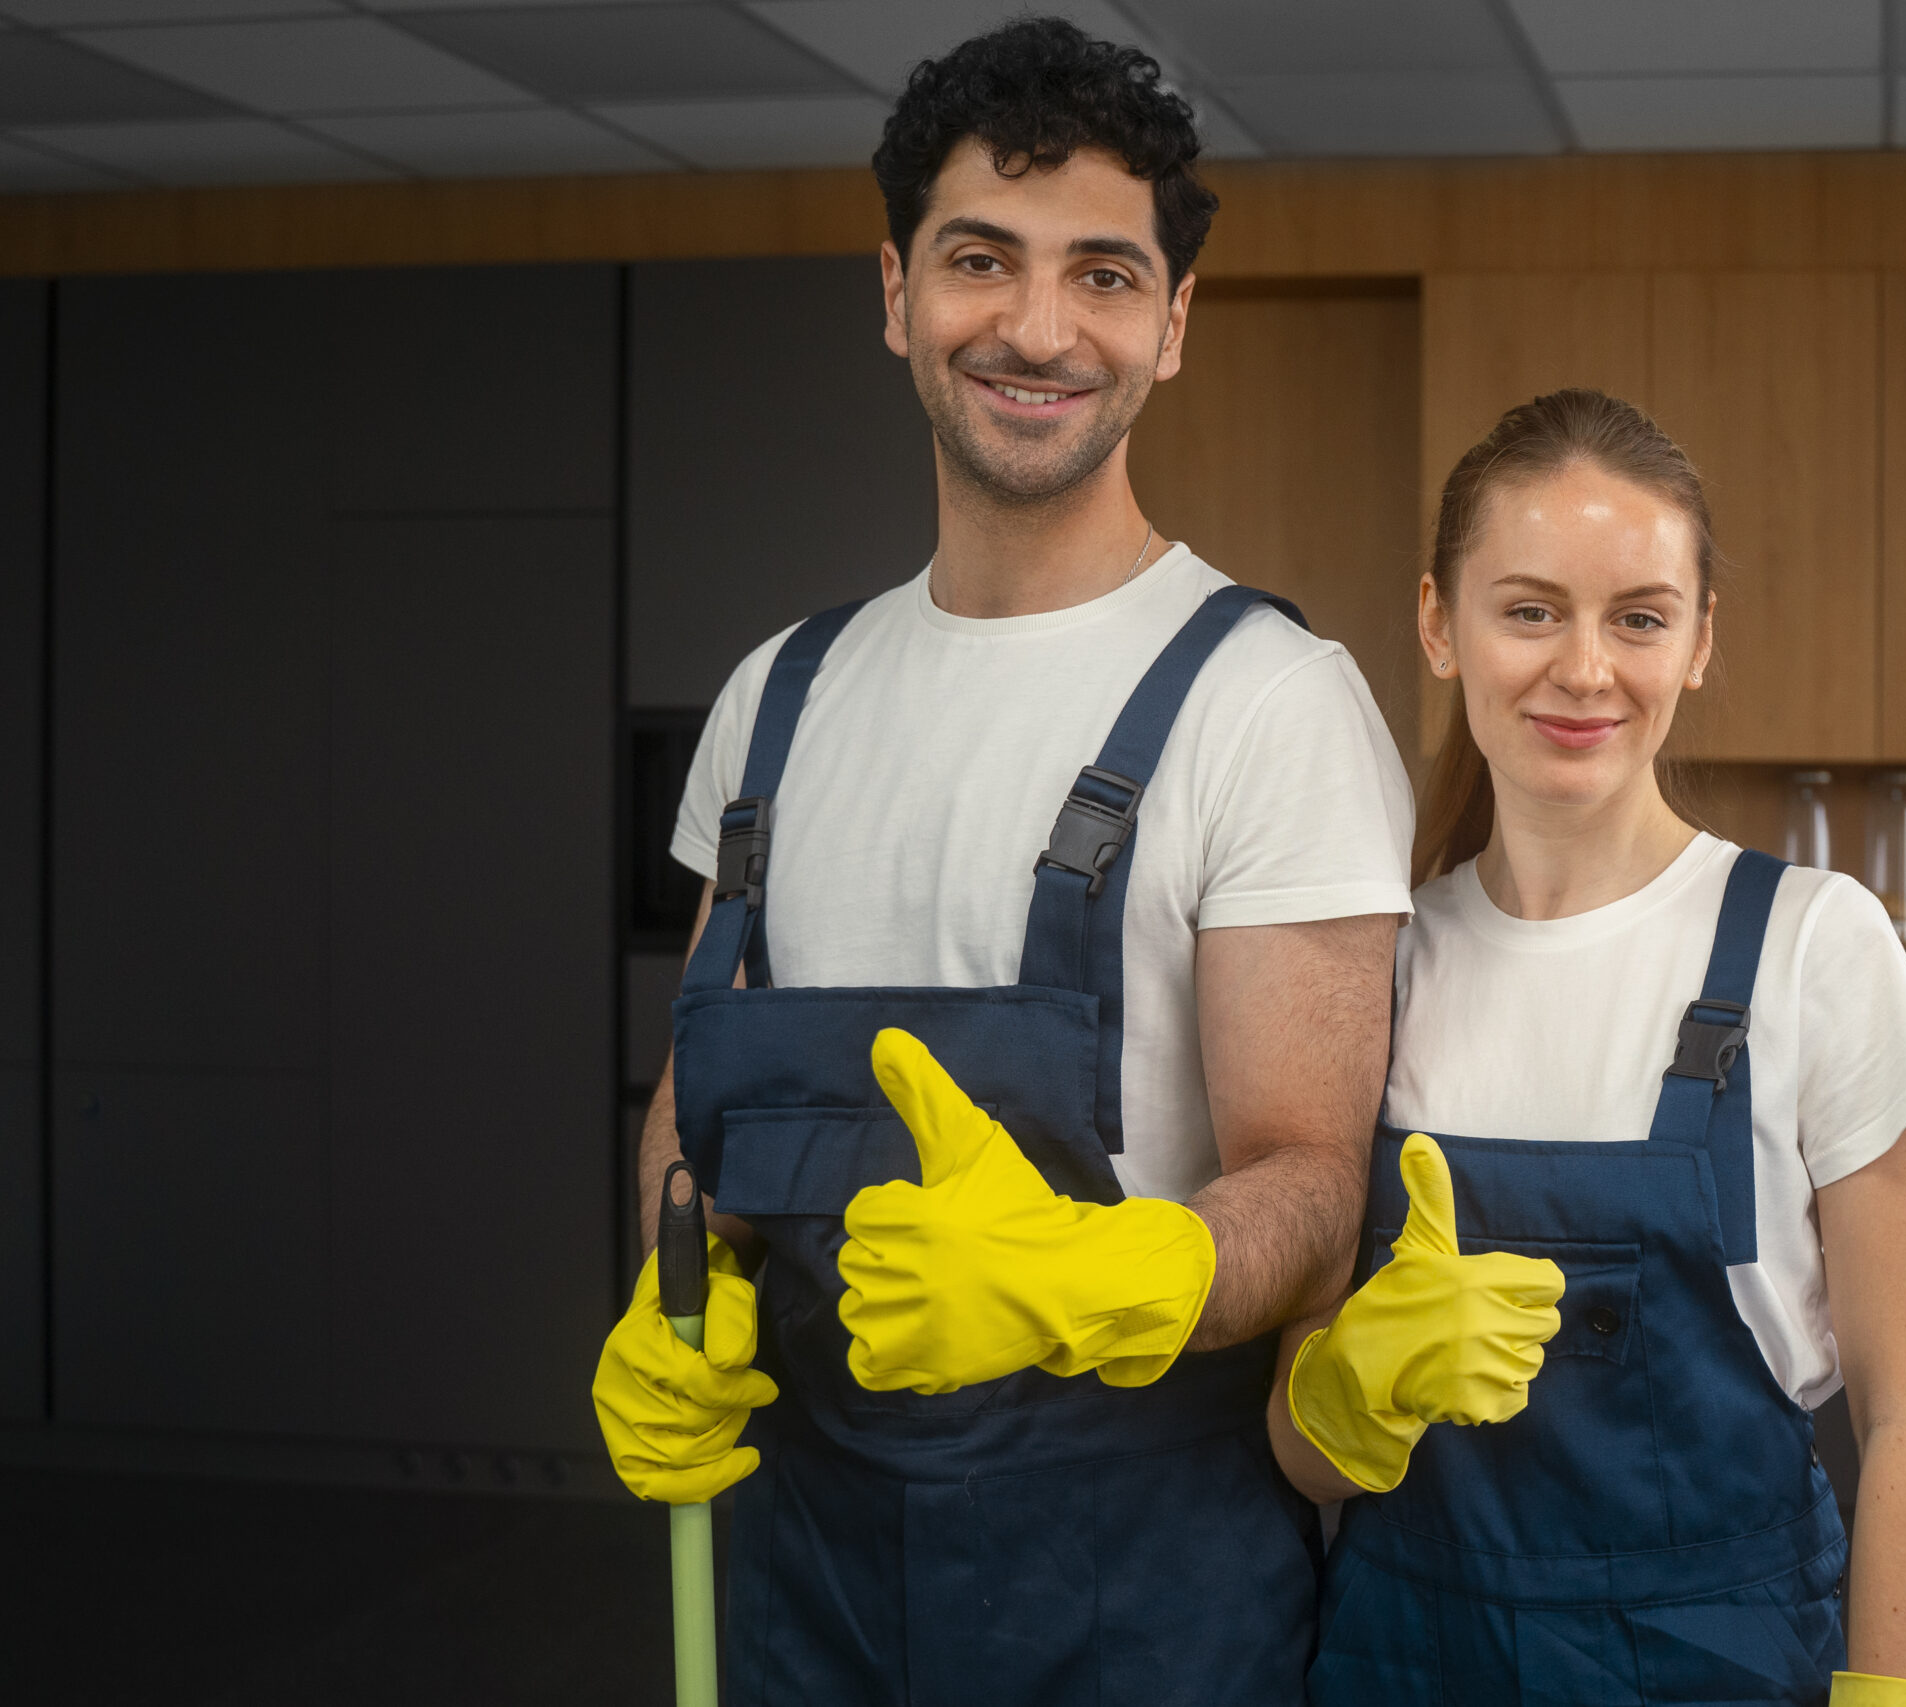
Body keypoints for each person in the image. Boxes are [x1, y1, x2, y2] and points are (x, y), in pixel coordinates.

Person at [589, 19, 1412, 1703]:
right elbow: (697, 1103)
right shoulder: (776, 697)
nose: (1039, 329)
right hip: (800, 1575)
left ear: (1172, 323)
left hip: (1139, 1600)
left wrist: (1118, 1272)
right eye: (982, 261)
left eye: (1104, 275)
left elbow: (1316, 1189)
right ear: (898, 292)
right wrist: (675, 1292)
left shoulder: (1271, 704)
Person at [1267, 390, 1906, 1706]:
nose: (1585, 669)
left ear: (1700, 641)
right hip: (1402, 1662)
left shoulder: (1811, 945)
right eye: (1530, 611)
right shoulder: (1374, 968)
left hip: (1716, 1667)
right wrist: (1350, 1393)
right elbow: (1297, 1456)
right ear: (1439, 624)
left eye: (1639, 617)